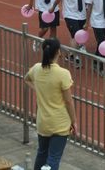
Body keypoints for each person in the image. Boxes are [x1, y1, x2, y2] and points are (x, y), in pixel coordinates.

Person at [24, 38, 76, 170]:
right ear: (58, 52)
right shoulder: (63, 74)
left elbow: (26, 79)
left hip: (43, 122)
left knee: (41, 154)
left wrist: (38, 88)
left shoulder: (36, 69)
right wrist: (74, 121)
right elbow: (69, 101)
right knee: (53, 158)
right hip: (60, 123)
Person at [49, 0, 89, 68]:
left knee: (77, 35)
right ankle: (75, 57)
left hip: (82, 14)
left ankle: (70, 54)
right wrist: (53, 8)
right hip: (70, 14)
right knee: (75, 35)